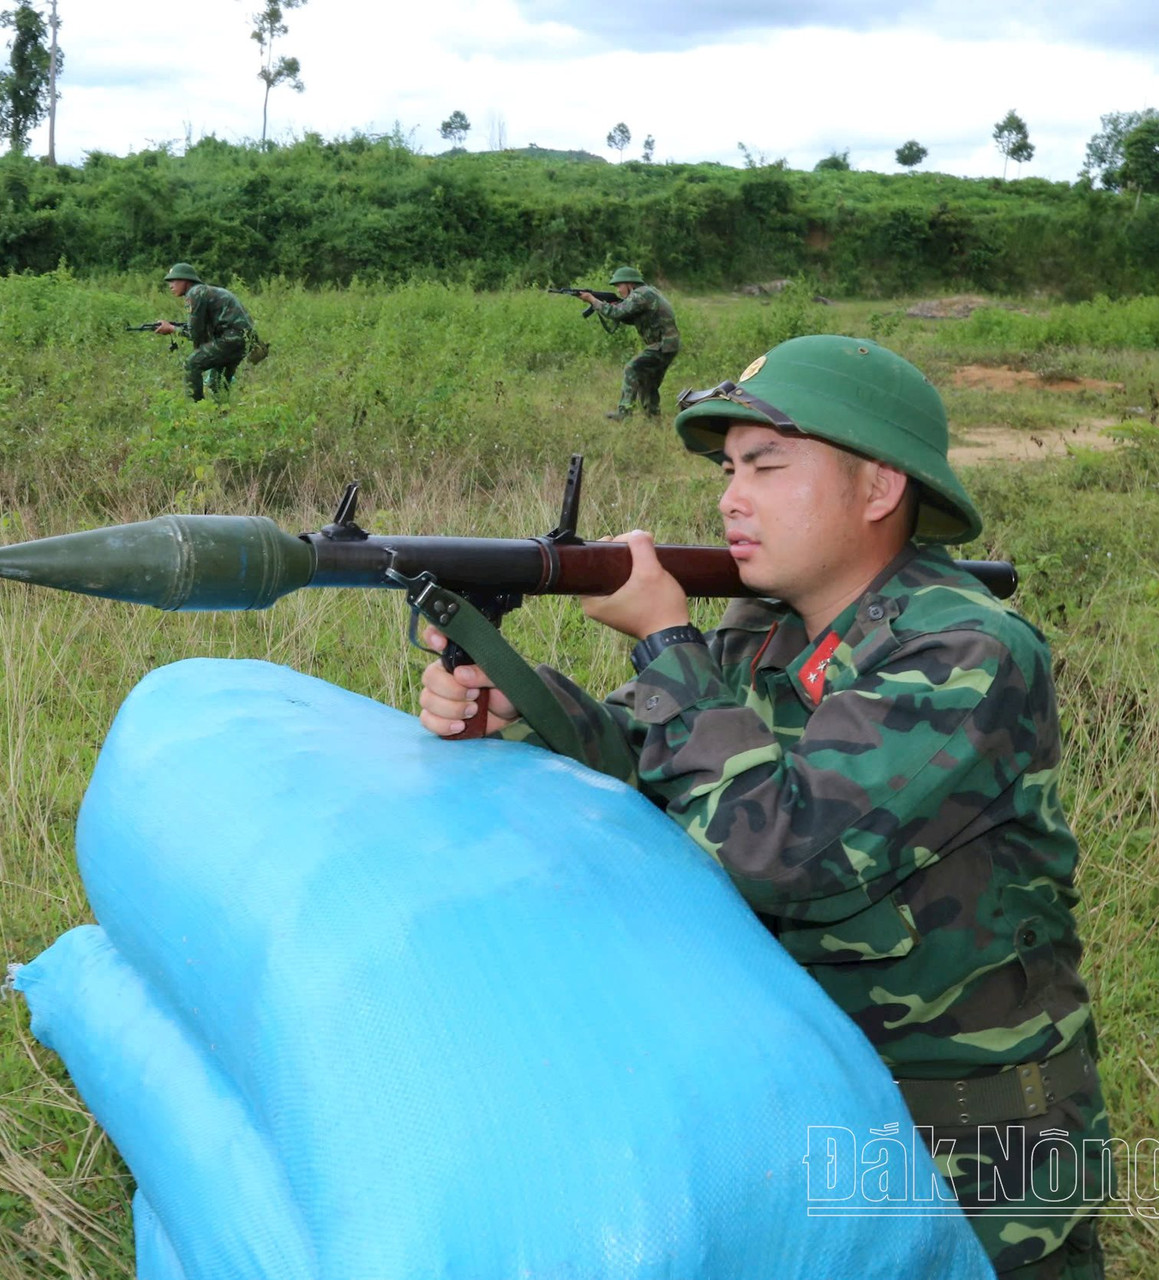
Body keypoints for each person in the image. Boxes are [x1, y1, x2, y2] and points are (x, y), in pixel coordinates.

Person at [417, 335, 1108, 1279]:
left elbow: (787, 847)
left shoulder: (964, 654)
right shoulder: (766, 627)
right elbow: (652, 758)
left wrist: (666, 641)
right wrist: (517, 702)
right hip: (806, 1093)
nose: (730, 498)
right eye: (729, 469)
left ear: (878, 490)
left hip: (974, 1141)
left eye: (767, 468)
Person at [579, 266, 679, 420]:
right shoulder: (647, 292)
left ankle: (624, 412)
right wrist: (610, 306)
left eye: (619, 285)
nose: (618, 290)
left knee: (631, 369)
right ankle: (653, 418)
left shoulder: (641, 294)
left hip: (662, 344)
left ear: (630, 284)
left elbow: (617, 313)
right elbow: (632, 318)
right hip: (668, 344)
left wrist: (592, 300)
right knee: (648, 381)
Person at [151, 262, 256, 402]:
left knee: (192, 364)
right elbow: (202, 332)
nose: (171, 285)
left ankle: (196, 410)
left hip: (232, 339)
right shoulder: (203, 291)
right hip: (240, 340)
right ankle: (221, 416)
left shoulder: (195, 293)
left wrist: (171, 329)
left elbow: (194, 333)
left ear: (186, 280)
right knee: (216, 383)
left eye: (174, 280)